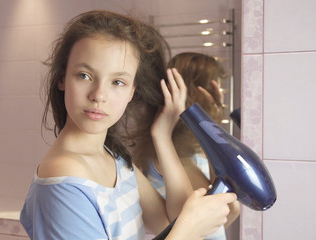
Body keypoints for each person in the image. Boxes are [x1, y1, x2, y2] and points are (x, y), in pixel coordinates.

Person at [20, 11, 237, 240]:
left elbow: (169, 220)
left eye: (118, 82)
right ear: (62, 78)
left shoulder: (114, 158)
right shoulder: (64, 177)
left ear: (132, 91)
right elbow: (181, 227)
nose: (99, 95)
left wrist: (162, 135)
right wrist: (189, 227)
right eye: (84, 75)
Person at [133, 52, 241, 240]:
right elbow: (189, 220)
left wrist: (209, 125)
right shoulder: (168, 154)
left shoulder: (193, 151)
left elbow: (221, 218)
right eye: (215, 87)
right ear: (198, 92)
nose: (220, 94)